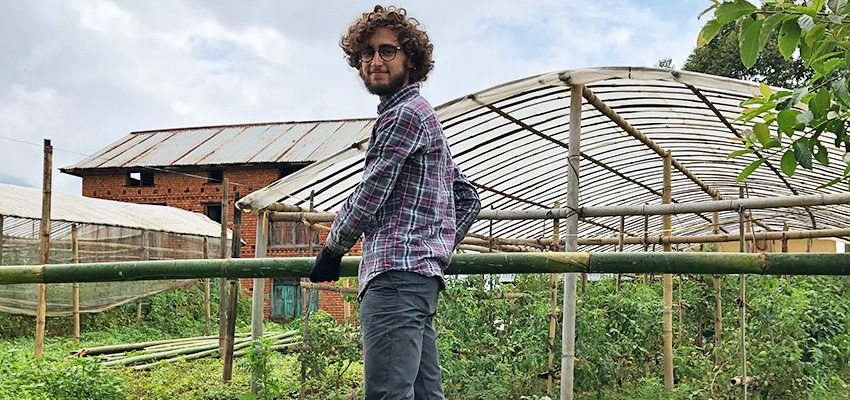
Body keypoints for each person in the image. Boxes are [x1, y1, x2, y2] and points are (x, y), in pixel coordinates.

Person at [309, 5, 481, 399]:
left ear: (411, 58)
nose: (375, 61)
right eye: (366, 53)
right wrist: (432, 250)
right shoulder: (423, 114)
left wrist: (332, 250)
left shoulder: (403, 115)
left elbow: (369, 193)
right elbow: (466, 197)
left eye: (387, 51)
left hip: (394, 281)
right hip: (417, 281)